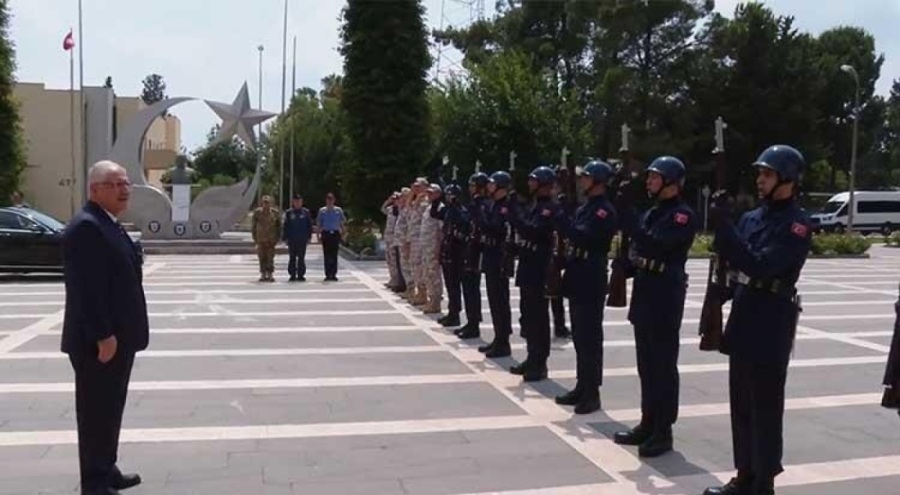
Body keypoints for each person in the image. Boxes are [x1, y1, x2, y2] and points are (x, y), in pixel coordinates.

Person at [702, 145, 812, 495]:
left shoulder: (797, 225)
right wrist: (717, 297)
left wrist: (725, 227)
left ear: (787, 179)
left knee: (765, 407)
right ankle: (744, 474)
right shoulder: (751, 218)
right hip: (744, 312)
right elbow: (733, 262)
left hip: (771, 319)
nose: (760, 180)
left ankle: (763, 482)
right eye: (759, 174)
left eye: (767, 174)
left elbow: (761, 265)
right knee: (741, 403)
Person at [61, 160, 147, 495]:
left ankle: (106, 468)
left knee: (110, 410)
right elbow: (85, 289)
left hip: (118, 338)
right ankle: (94, 483)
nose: (124, 190)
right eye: (115, 184)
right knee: (96, 414)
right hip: (99, 342)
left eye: (126, 183)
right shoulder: (87, 227)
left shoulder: (107, 223)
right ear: (95, 189)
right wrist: (103, 335)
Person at [612, 156, 698, 458]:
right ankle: (647, 422)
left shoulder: (682, 216)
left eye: (654, 177)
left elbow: (655, 244)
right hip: (646, 290)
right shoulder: (653, 212)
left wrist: (629, 214)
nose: (648, 181)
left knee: (662, 365)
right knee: (646, 364)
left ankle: (663, 430)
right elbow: (639, 248)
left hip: (665, 294)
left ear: (671, 182)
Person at [553, 160, 618, 415]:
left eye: (587, 177)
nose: (582, 181)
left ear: (598, 181)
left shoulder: (603, 211)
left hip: (591, 275)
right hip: (578, 273)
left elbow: (583, 236)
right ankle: (582, 385)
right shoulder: (586, 207)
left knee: (590, 337)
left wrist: (562, 219)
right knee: (580, 336)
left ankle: (592, 392)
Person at [507, 166, 559, 382]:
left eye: (534, 180)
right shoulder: (535, 205)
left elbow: (532, 230)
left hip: (539, 267)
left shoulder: (549, 208)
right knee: (528, 315)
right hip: (528, 264)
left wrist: (514, 212)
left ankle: (540, 362)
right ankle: (531, 357)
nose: (530, 184)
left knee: (538, 317)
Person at [473, 170, 514, 358]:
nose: (488, 187)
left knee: (500, 299)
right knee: (493, 298)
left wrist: (480, 215)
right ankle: (499, 337)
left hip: (499, 255)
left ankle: (503, 340)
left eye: (492, 183)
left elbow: (494, 228)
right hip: (490, 253)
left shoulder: (505, 207)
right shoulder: (494, 205)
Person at [455, 172, 489, 339]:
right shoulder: (474, 203)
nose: (470, 188)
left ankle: (474, 323)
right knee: (467, 287)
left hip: (477, 249)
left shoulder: (482, 204)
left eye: (473, 185)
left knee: (472, 287)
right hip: (469, 248)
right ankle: (471, 321)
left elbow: (479, 224)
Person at [432, 183, 466, 326]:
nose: (447, 197)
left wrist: (454, 205)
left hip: (456, 252)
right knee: (450, 285)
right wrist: (436, 199)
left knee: (454, 285)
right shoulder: (447, 210)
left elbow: (462, 224)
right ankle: (452, 312)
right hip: (447, 251)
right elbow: (434, 213)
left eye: (449, 195)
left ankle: (455, 314)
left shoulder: (460, 211)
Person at [251, 195, 282, 282]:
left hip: (271, 240)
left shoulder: (275, 213)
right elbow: (253, 226)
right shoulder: (257, 213)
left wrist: (278, 238)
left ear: (270, 203)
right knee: (262, 257)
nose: (266, 204)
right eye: (264, 202)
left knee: (270, 258)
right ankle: (263, 274)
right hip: (261, 239)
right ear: (262, 203)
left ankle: (270, 274)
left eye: (267, 202)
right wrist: (254, 238)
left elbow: (279, 226)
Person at [282, 194, 313, 282]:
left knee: (301, 257)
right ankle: (292, 274)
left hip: (302, 239)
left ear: (301, 202)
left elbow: (309, 225)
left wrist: (309, 236)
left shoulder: (306, 212)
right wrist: (285, 237)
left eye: (299, 201)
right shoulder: (289, 212)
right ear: (293, 202)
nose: (297, 203)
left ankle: (301, 274)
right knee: (292, 257)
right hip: (292, 239)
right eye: (296, 201)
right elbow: (285, 226)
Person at [317, 192, 345, 282]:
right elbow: (319, 224)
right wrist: (318, 235)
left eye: (331, 199)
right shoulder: (322, 211)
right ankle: (328, 274)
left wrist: (343, 234)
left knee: (334, 255)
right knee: (327, 255)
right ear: (326, 200)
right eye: (328, 199)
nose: (330, 201)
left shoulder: (338, 210)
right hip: (326, 233)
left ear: (334, 200)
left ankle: (334, 274)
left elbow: (342, 223)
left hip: (335, 234)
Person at [382, 192, 403, 291]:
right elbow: (383, 209)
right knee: (389, 260)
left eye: (396, 199)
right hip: (388, 237)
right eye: (394, 199)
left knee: (395, 260)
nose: (395, 201)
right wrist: (388, 200)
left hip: (396, 238)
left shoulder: (401, 210)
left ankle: (397, 280)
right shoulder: (390, 209)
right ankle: (392, 278)